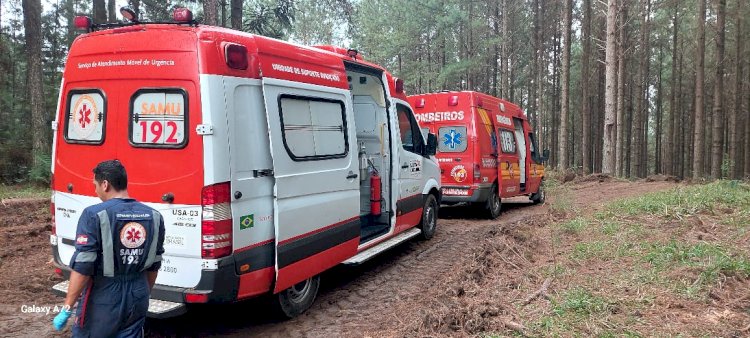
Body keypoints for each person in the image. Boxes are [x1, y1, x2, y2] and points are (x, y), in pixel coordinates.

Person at [53, 160, 165, 337]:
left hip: (104, 297)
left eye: (95, 185)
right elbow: (154, 265)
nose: (95, 190)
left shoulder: (94, 214)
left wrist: (67, 307)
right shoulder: (155, 216)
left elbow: (84, 266)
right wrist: (141, 293)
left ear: (105, 184)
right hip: (139, 292)